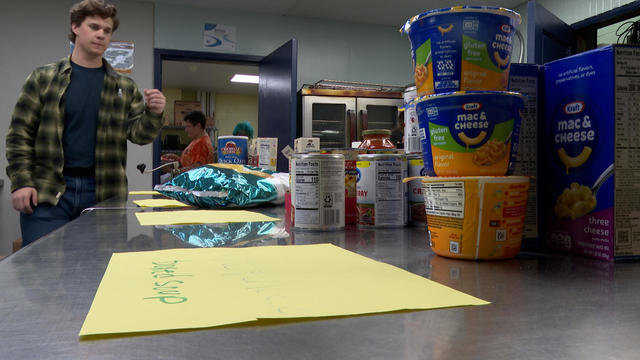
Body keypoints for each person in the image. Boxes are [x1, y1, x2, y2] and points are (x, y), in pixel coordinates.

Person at [5, 0, 166, 247]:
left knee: (98, 272)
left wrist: (154, 113)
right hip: (49, 189)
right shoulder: (43, 77)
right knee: (43, 271)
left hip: (103, 192)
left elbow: (139, 134)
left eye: (107, 30)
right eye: (94, 27)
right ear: (76, 28)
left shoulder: (123, 86)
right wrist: (21, 181)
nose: (101, 34)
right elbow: (19, 135)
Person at [161, 111, 215, 176]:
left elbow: (196, 169)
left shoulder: (201, 144)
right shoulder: (197, 140)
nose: (186, 130)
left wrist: (172, 171)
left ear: (198, 126)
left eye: (188, 126)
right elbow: (190, 162)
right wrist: (177, 158)